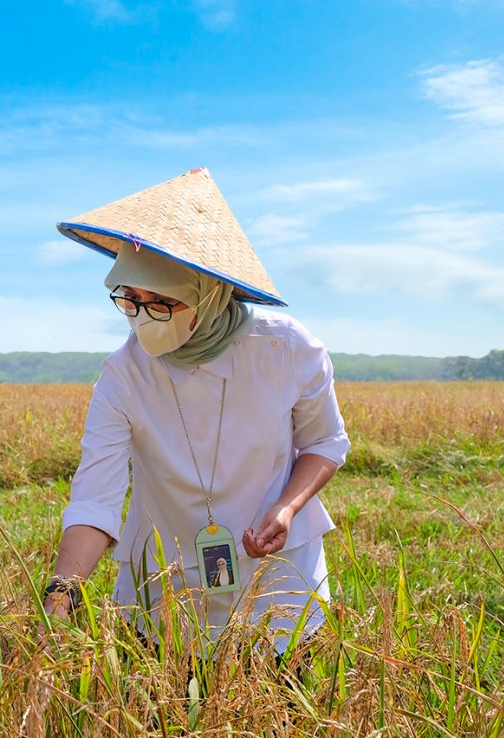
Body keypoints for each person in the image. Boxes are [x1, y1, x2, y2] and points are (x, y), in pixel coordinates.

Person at [44, 167, 349, 655]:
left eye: (161, 302)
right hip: (166, 584)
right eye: (130, 300)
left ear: (209, 293)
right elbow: (96, 498)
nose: (143, 317)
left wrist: (287, 507)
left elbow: (324, 442)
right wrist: (63, 591)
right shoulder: (124, 374)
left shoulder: (287, 348)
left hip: (277, 581)